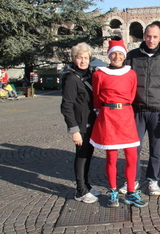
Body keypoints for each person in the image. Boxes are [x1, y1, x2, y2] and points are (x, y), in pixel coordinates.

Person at [121, 23, 160, 196]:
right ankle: (133, 179)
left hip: (158, 110)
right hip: (136, 110)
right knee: (133, 148)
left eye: (155, 36)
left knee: (156, 147)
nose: (151, 40)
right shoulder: (131, 57)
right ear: (144, 36)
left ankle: (153, 179)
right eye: (148, 36)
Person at [90, 40, 147, 208]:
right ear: (109, 55)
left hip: (126, 117)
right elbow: (96, 98)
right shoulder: (99, 74)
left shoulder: (131, 74)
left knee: (132, 156)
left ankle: (130, 192)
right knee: (111, 158)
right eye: (114, 53)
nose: (117, 57)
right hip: (108, 117)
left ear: (124, 55)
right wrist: (105, 111)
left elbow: (131, 95)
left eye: (120, 53)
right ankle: (113, 191)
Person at [60, 42, 101, 204]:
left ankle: (86, 185)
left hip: (90, 122)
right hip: (80, 125)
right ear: (74, 58)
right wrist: (74, 130)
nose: (83, 61)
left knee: (88, 155)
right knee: (82, 156)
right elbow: (66, 106)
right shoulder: (71, 78)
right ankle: (80, 190)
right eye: (79, 57)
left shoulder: (89, 74)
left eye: (85, 58)